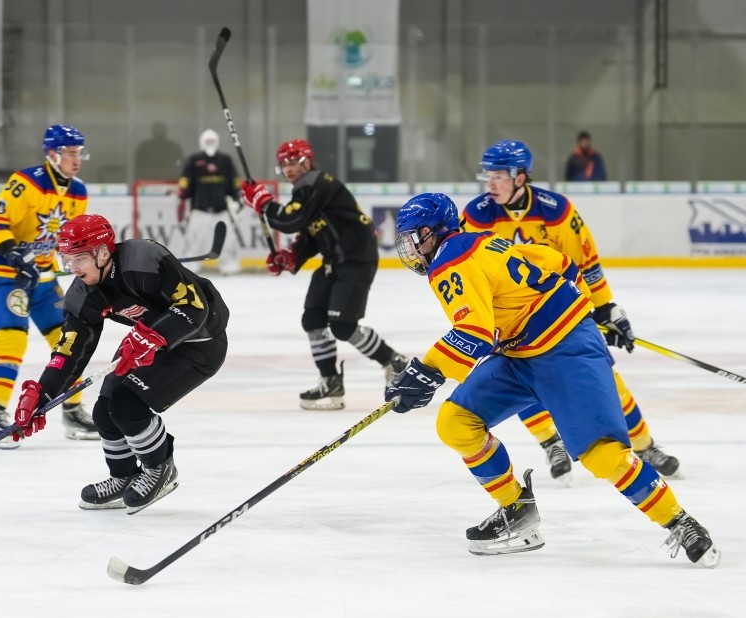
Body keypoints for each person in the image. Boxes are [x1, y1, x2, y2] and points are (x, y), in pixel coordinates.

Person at [385, 192, 719, 568]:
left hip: (566, 351)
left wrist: (426, 371)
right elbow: (557, 262)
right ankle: (517, 510)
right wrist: (588, 306)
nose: (409, 249)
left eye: (412, 238)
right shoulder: (482, 240)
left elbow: (474, 331)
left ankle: (680, 521)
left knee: (602, 454)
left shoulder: (449, 260)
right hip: (520, 353)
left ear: (431, 232)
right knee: (456, 421)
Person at [461, 139, 681, 484]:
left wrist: (605, 308)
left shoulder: (556, 211)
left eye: (499, 176)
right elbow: (466, 269)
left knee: (607, 381)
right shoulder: (475, 216)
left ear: (520, 177)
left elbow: (586, 262)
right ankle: (551, 443)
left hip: (561, 315)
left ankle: (645, 446)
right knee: (521, 380)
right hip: (511, 320)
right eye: (487, 175)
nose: (491, 183)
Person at [12, 213, 229, 513]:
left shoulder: (146, 260)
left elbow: (195, 308)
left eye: (79, 259)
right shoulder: (83, 293)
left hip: (199, 342)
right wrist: (43, 392)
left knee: (127, 406)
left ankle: (160, 468)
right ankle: (125, 476)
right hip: (147, 340)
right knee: (105, 411)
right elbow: (71, 351)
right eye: (67, 260)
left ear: (103, 253)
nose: (72, 268)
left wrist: (156, 335)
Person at [240, 138, 407, 410]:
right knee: (313, 318)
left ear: (307, 161)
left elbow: (290, 220)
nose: (288, 168)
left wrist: (263, 202)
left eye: (293, 162)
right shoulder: (306, 190)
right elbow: (311, 235)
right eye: (283, 164)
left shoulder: (317, 182)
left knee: (343, 326)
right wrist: (291, 256)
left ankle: (394, 361)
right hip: (335, 261)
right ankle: (330, 381)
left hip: (356, 259)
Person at [0, 124, 97, 447]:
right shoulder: (26, 183)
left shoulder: (78, 192)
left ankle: (72, 410)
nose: (77, 160)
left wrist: (81, 259)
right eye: (70, 153)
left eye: (79, 153)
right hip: (8, 278)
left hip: (44, 280)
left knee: (69, 340)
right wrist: (17, 257)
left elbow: (65, 240)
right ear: (53, 154)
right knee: (12, 340)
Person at [176, 129, 241, 275]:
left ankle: (229, 266)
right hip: (200, 209)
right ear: (202, 142)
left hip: (221, 209)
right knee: (194, 240)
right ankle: (191, 268)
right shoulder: (194, 160)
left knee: (227, 240)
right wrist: (182, 192)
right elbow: (185, 181)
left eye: (212, 141)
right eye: (207, 141)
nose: (210, 144)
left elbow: (234, 180)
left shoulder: (225, 160)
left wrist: (237, 196)